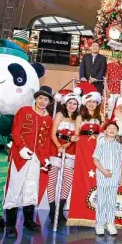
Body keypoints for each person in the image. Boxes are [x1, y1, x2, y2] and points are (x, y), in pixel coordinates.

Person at [3, 86, 53, 237]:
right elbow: (16, 132)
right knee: (15, 187)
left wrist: (45, 159)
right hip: (20, 156)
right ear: (36, 98)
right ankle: (10, 224)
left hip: (37, 159)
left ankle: (28, 220)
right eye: (40, 98)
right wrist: (21, 148)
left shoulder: (48, 119)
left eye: (46, 99)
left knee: (31, 189)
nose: (43, 101)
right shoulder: (24, 111)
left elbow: (45, 142)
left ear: (49, 102)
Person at [47, 91, 81, 225]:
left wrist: (66, 146)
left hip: (70, 150)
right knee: (53, 180)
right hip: (56, 148)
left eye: (75, 104)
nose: (72, 106)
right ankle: (52, 209)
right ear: (65, 104)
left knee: (67, 180)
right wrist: (59, 146)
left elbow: (76, 135)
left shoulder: (78, 118)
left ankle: (60, 210)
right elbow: (53, 133)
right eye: (70, 103)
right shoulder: (60, 114)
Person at [93, 122, 122, 236]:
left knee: (111, 201)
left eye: (114, 128)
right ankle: (100, 224)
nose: (112, 130)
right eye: (109, 128)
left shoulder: (119, 145)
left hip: (114, 178)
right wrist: (104, 171)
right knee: (101, 201)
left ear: (117, 132)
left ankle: (110, 223)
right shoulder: (101, 143)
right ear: (105, 131)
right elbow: (95, 160)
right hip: (103, 176)